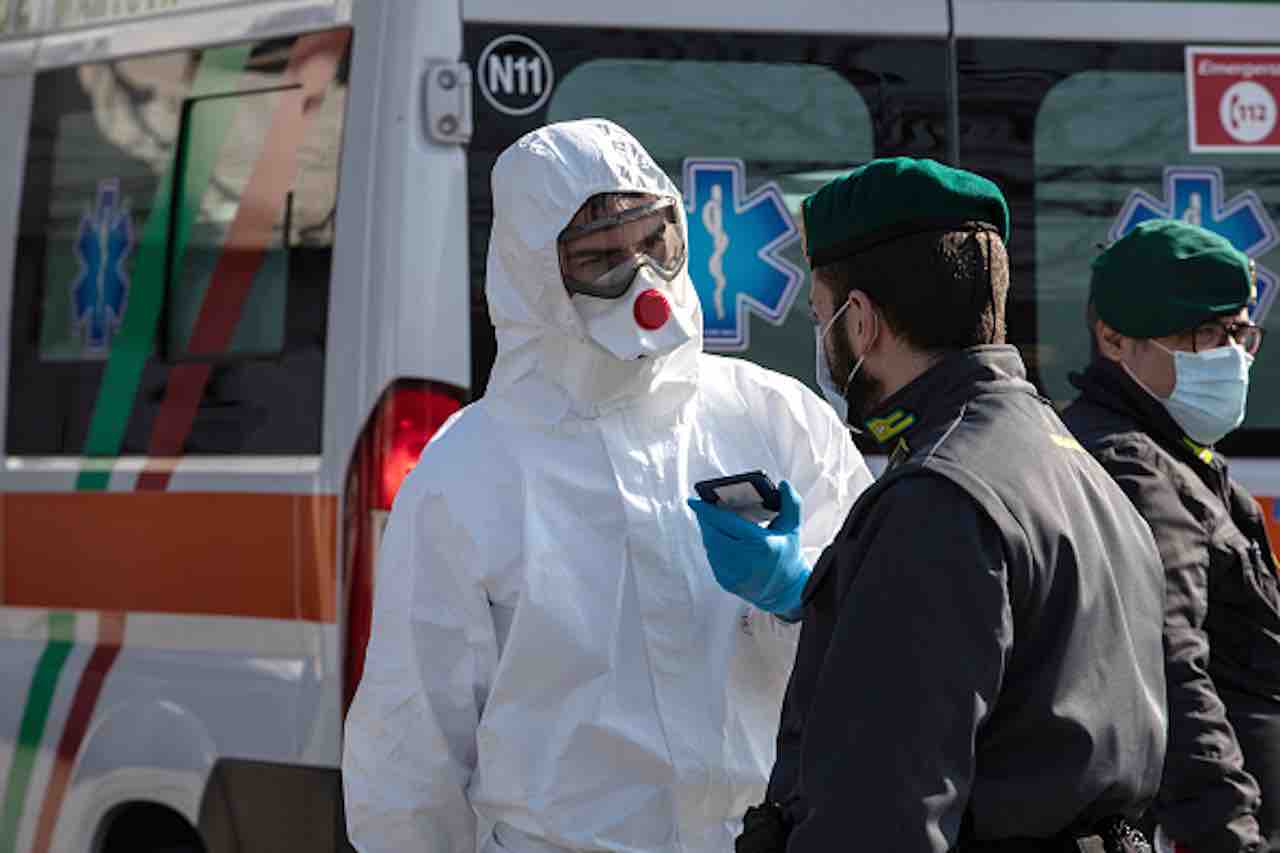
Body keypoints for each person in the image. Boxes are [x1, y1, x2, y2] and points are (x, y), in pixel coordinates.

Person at [340, 118, 872, 853]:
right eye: (599, 259)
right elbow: (412, 747)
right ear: (536, 277)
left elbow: (889, 657)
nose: (642, 281)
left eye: (655, 243)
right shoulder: (471, 469)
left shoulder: (776, 420)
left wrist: (800, 598)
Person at [691, 157, 1169, 853]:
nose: (822, 341)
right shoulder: (1075, 466)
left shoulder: (937, 498)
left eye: (821, 315)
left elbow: (879, 816)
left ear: (861, 322)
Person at [1062, 219, 1277, 853]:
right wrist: (1229, 838)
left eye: (1240, 332)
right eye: (1202, 334)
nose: (1229, 355)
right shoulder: (1134, 468)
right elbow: (1173, 671)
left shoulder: (1180, 453)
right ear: (1115, 339)